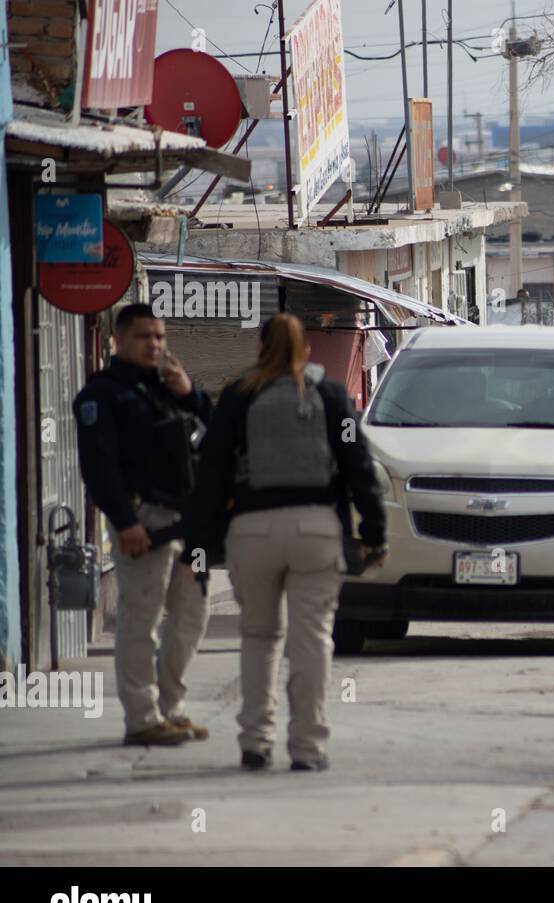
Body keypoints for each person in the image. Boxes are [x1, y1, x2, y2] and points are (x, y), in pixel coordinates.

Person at [184, 314, 386, 771]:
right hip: (315, 530)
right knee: (311, 639)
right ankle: (308, 748)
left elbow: (210, 475)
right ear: (306, 350)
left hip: (251, 532)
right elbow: (359, 467)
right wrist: (373, 535)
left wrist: (197, 551)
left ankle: (255, 742)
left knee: (258, 637)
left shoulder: (237, 397)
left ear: (259, 347)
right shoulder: (332, 396)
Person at [74, 303, 213, 747]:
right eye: (143, 336)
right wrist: (123, 520)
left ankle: (171, 708)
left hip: (188, 523)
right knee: (141, 619)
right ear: (117, 340)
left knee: (192, 614)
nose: (154, 344)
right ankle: (142, 717)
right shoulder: (103, 394)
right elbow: (99, 467)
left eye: (159, 336)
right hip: (143, 521)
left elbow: (216, 433)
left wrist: (189, 393)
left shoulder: (168, 386)